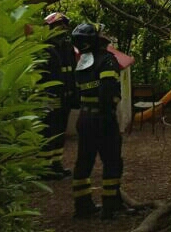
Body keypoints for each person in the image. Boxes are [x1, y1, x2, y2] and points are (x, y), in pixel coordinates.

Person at [70, 22, 126, 219]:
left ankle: (82, 205)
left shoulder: (82, 62)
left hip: (84, 119)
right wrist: (108, 113)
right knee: (112, 162)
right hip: (103, 118)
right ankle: (110, 206)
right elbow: (107, 90)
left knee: (84, 162)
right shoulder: (107, 60)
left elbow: (78, 94)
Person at [41, 12, 77, 181]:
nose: (63, 28)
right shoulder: (43, 48)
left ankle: (56, 165)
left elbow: (72, 72)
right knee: (49, 130)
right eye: (59, 25)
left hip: (66, 96)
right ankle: (45, 168)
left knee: (60, 130)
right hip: (50, 97)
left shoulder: (67, 47)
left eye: (64, 25)